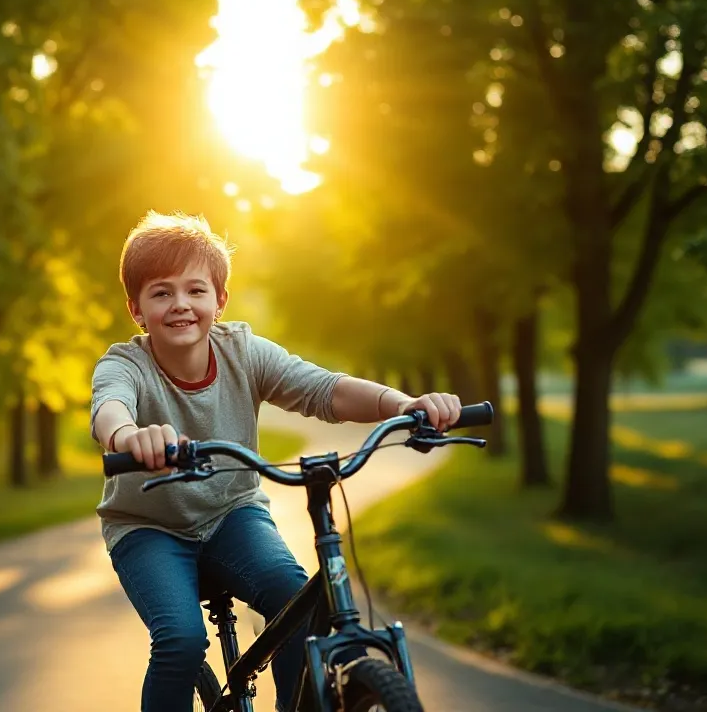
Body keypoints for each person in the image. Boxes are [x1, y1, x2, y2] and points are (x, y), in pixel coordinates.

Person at [90, 210, 462, 712]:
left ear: (219, 301)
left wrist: (402, 405)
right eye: (162, 292)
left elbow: (325, 389)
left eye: (196, 290)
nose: (181, 305)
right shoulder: (125, 363)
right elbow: (109, 410)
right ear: (137, 308)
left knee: (296, 606)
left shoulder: (242, 351)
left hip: (232, 514)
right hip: (147, 528)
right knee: (180, 640)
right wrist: (131, 436)